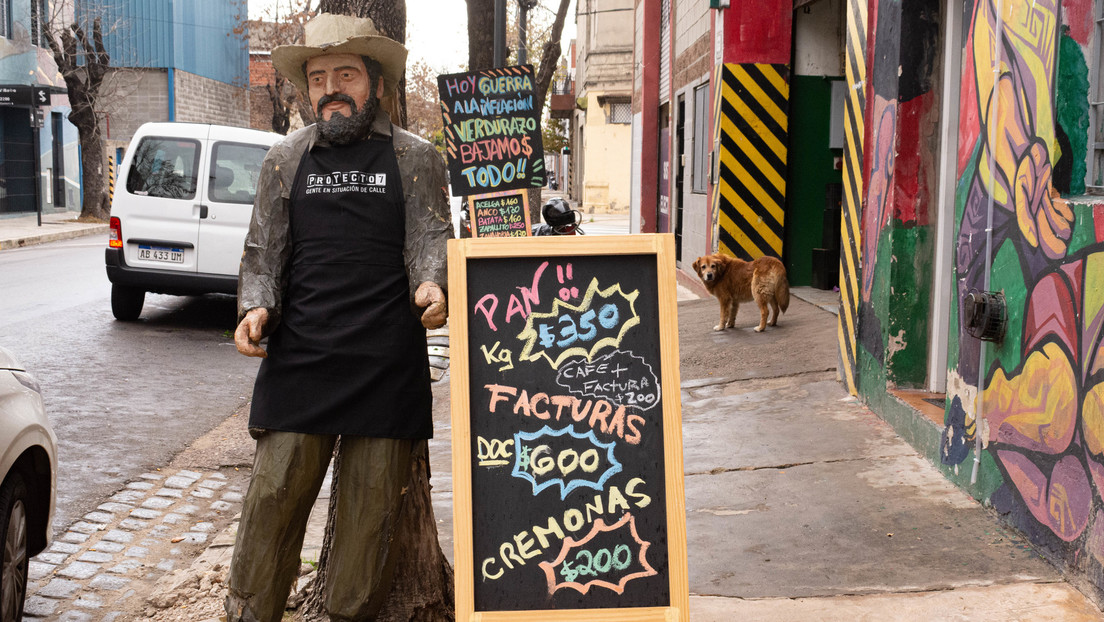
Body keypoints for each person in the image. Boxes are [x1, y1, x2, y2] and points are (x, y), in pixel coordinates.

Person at [224, 13, 452, 622]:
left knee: (367, 524)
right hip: (301, 362)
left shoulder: (417, 159)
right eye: (318, 76)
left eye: (345, 74)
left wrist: (434, 285)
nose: (331, 88)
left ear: (374, 84)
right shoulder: (283, 160)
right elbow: (262, 252)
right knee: (271, 502)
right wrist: (255, 306)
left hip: (386, 367)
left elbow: (432, 237)